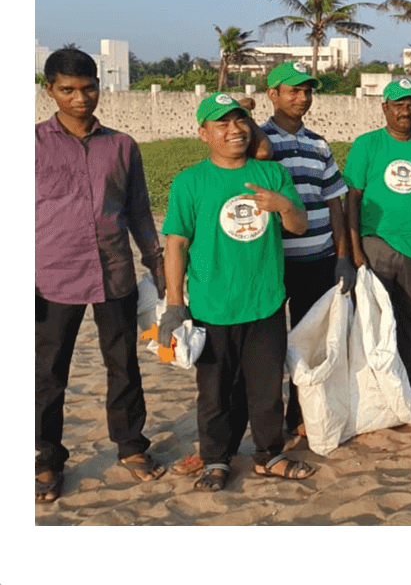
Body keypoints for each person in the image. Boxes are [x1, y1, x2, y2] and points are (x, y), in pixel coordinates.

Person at [160, 93, 312, 492]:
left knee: (265, 390)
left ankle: (269, 454)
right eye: (222, 124)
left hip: (264, 302)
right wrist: (176, 304)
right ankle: (216, 460)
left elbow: (298, 226)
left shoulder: (272, 174)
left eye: (240, 121)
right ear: (203, 133)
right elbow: (175, 243)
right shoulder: (190, 181)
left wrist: (283, 205)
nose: (234, 130)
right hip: (213, 306)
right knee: (215, 394)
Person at [35, 47, 167, 501]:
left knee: (123, 363)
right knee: (48, 373)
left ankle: (131, 446)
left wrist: (156, 261)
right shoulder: (29, 146)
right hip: (50, 277)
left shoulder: (122, 145)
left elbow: (138, 211)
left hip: (114, 272)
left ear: (99, 86)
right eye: (67, 90)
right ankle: (45, 458)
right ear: (48, 89)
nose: (79, 98)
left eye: (88, 88)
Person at [339, 80, 411, 416]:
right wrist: (355, 249)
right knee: (373, 325)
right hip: (376, 247)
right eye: (399, 105)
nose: (406, 111)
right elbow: (352, 199)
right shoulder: (367, 145)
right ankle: (374, 396)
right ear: (385, 108)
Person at [256, 60, 346, 439]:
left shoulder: (318, 144)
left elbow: (335, 202)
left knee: (308, 343)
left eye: (307, 90)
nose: (302, 97)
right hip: (273, 262)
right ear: (272, 94)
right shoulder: (257, 141)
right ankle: (268, 421)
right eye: (293, 90)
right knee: (271, 347)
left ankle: (301, 414)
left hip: (317, 259)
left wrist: (342, 257)